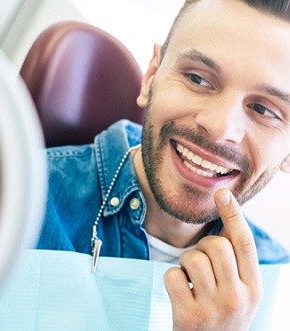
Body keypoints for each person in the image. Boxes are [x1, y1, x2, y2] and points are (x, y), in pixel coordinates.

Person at [37, 0, 290, 329]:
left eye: (263, 109)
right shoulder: (14, 198)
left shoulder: (277, 282)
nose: (219, 127)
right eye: (198, 79)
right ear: (151, 77)